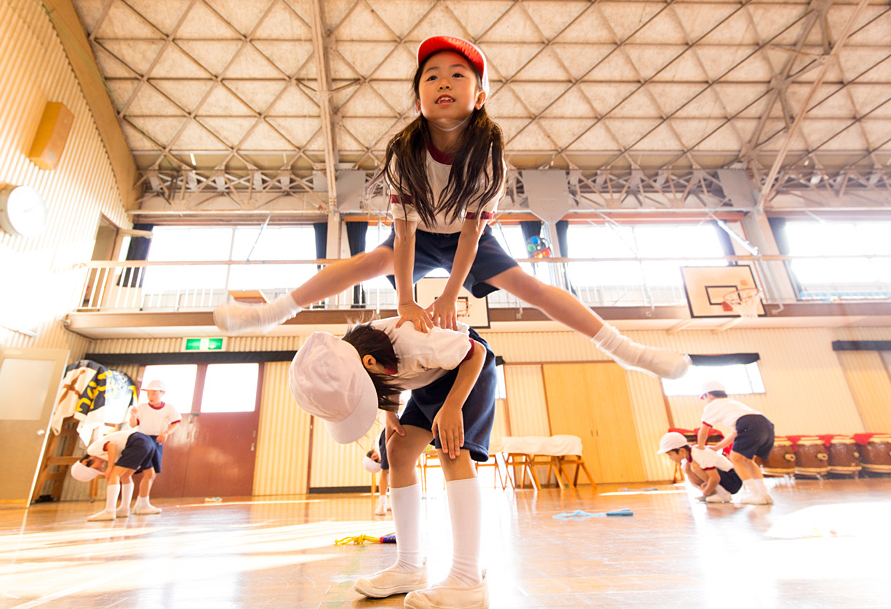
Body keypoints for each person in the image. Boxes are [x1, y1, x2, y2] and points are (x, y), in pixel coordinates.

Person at [213, 35, 691, 382]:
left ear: (479, 97)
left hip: (469, 238)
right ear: (418, 100)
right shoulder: (405, 152)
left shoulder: (488, 156)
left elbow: (471, 234)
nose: (443, 81)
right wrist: (406, 300)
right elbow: (404, 234)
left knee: (531, 287)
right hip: (418, 236)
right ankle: (271, 313)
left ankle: (626, 350)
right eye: (432, 76)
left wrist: (447, 296)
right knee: (364, 263)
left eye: (457, 75)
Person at [290, 316, 496, 609]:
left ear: (368, 363)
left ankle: (468, 578)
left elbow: (476, 353)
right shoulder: (362, 352)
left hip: (467, 370)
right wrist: (389, 413)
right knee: (397, 452)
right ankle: (409, 566)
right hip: (431, 379)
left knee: (452, 451)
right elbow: (391, 370)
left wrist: (452, 406)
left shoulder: (413, 340)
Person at [697, 381, 775, 505]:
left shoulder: (713, 405)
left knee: (735, 459)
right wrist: (717, 447)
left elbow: (704, 430)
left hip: (748, 424)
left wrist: (700, 447)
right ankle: (764, 494)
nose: (705, 401)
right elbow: (735, 433)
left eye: (704, 398)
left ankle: (756, 495)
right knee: (747, 460)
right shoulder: (733, 403)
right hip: (765, 423)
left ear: (709, 395)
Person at [70, 428, 159, 521]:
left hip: (136, 441)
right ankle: (124, 509)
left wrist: (110, 467)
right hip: (146, 441)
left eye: (96, 468)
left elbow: (111, 445)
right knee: (125, 476)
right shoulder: (103, 455)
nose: (101, 467)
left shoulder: (92, 450)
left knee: (114, 475)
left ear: (85, 462)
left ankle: (109, 511)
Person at [128, 379, 181, 514]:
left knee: (150, 475)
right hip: (142, 440)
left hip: (157, 440)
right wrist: (133, 416)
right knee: (148, 473)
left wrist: (166, 433)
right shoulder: (141, 407)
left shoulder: (169, 408)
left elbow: (176, 423)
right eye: (148, 394)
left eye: (154, 393)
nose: (150, 397)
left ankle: (141, 504)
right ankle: (140, 505)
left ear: (162, 393)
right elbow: (133, 425)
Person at [658, 431, 742, 503]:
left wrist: (705, 492)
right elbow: (691, 478)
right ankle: (713, 493)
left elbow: (715, 478)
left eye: (670, 455)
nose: (670, 458)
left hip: (733, 480)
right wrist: (701, 489)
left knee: (695, 466)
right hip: (723, 479)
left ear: (682, 451)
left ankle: (723, 494)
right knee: (687, 467)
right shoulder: (687, 459)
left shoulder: (699, 454)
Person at [364, 429, 390, 516]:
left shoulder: (380, 447)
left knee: (385, 472)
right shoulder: (377, 442)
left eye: (380, 462)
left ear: (374, 457)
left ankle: (382, 506)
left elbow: (385, 471)